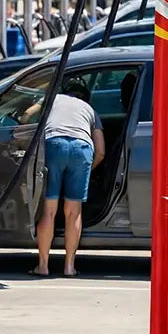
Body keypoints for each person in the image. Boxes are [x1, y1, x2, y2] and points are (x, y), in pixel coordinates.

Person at [23, 78, 104, 277]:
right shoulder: (90, 111)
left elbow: (26, 115)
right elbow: (101, 152)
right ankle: (69, 266)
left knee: (49, 210)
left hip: (54, 145)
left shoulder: (53, 98)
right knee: (73, 212)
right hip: (82, 149)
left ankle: (42, 266)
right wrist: (86, 171)